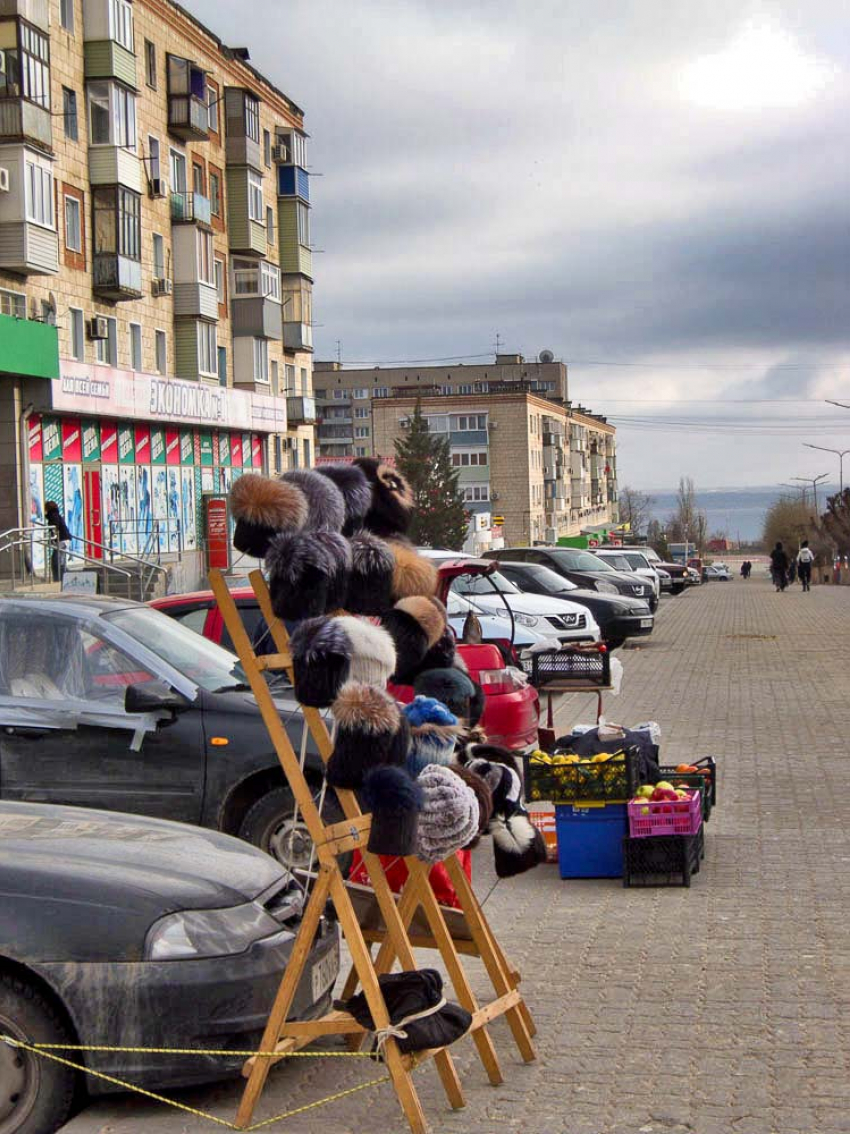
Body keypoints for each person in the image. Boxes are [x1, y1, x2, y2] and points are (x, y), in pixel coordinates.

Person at [44, 501, 71, 582]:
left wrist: (53, 536)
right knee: (60, 560)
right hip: (65, 539)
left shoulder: (53, 515)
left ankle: (59, 579)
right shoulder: (55, 514)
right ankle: (63, 578)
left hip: (62, 539)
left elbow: (55, 526)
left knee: (56, 560)